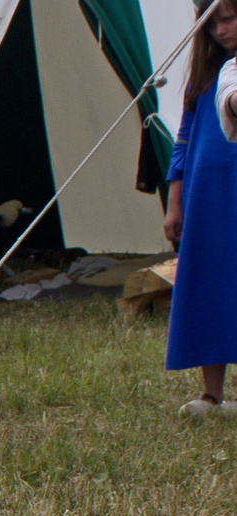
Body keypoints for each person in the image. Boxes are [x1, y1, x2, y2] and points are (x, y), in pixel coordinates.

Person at [167, 0, 237, 418]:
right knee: (211, 280)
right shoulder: (208, 73)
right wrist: (174, 203)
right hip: (205, 191)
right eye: (212, 24)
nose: (221, 31)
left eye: (228, 19)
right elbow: (184, 136)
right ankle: (212, 393)